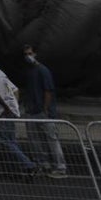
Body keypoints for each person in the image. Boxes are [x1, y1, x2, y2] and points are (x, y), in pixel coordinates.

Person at [0, 50, 36, 176]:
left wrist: (6, 107)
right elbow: (15, 89)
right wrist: (14, 106)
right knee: (12, 141)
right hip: (9, 111)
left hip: (2, 113)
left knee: (5, 141)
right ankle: (19, 169)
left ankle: (28, 164)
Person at [21, 45, 66, 178]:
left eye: (29, 53)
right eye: (25, 54)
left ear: (35, 54)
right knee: (35, 140)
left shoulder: (42, 70)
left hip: (43, 111)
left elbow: (48, 91)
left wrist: (45, 109)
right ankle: (43, 163)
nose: (28, 56)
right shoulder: (30, 71)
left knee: (51, 139)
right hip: (32, 111)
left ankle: (60, 167)